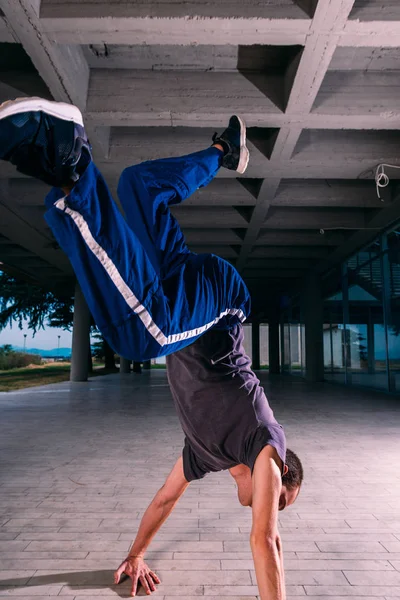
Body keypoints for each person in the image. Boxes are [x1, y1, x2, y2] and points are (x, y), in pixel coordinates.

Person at [0, 97, 303, 599]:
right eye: (281, 500)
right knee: (142, 334)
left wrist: (136, 553)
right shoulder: (266, 443)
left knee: (140, 188)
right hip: (223, 304)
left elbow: (164, 501)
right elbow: (266, 540)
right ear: (281, 475)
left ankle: (224, 150)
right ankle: (69, 158)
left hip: (186, 290)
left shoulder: (204, 457)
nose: (266, 505)